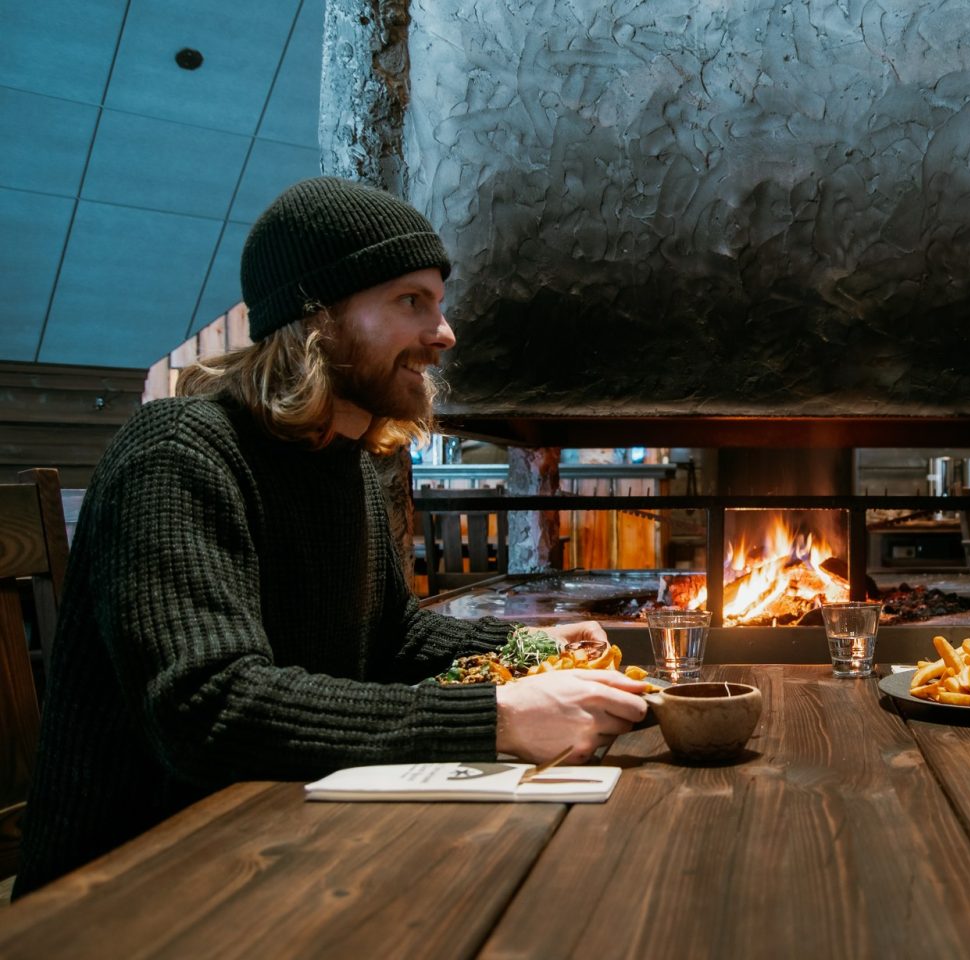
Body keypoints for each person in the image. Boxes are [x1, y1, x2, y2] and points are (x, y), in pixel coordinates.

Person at [15, 177, 647, 897]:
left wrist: (537, 654)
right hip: (137, 883)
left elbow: (390, 639)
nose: (444, 334)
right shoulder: (178, 453)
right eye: (412, 301)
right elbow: (210, 707)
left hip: (287, 844)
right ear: (316, 318)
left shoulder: (345, 463)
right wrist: (495, 718)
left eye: (439, 304)